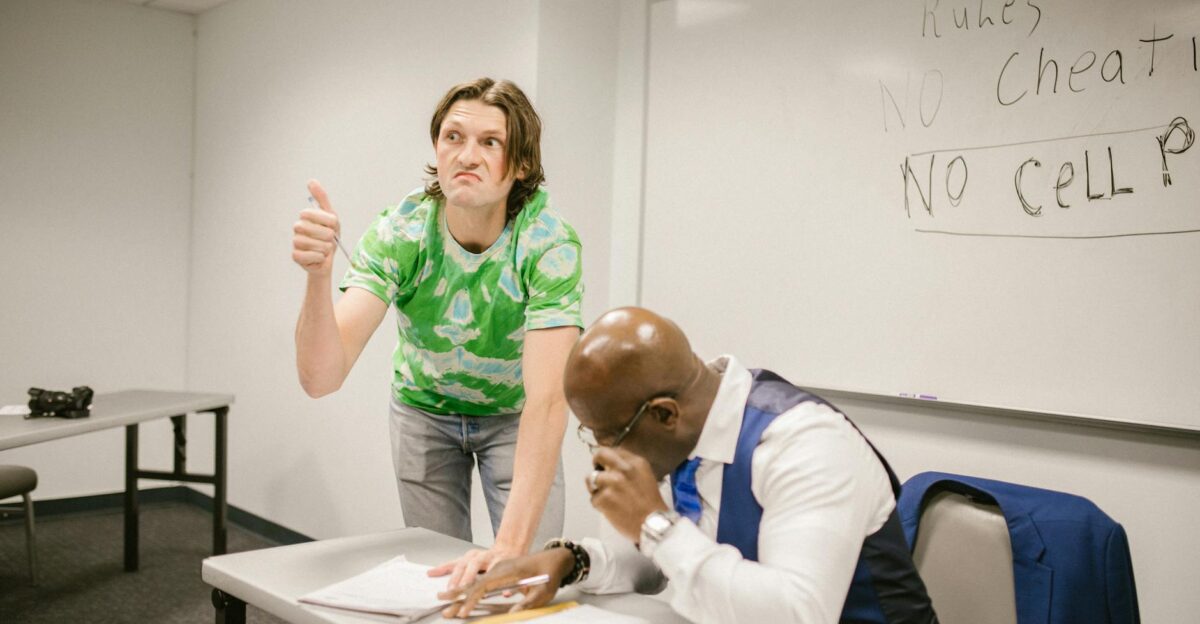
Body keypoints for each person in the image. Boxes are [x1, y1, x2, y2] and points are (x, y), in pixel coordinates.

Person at [443, 307, 938, 623]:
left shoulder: (807, 445)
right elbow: (655, 564)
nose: (603, 454)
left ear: (663, 414)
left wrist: (654, 525)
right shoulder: (685, 439)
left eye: (608, 436)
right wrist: (573, 560)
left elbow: (797, 614)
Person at [291, 78, 583, 588]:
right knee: (437, 577)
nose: (467, 155)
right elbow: (321, 378)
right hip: (424, 412)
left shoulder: (547, 242)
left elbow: (548, 402)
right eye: (453, 137)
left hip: (515, 417)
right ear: (436, 148)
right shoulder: (401, 232)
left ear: (520, 165)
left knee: (527, 576)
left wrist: (511, 551)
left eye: (489, 142)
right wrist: (317, 279)